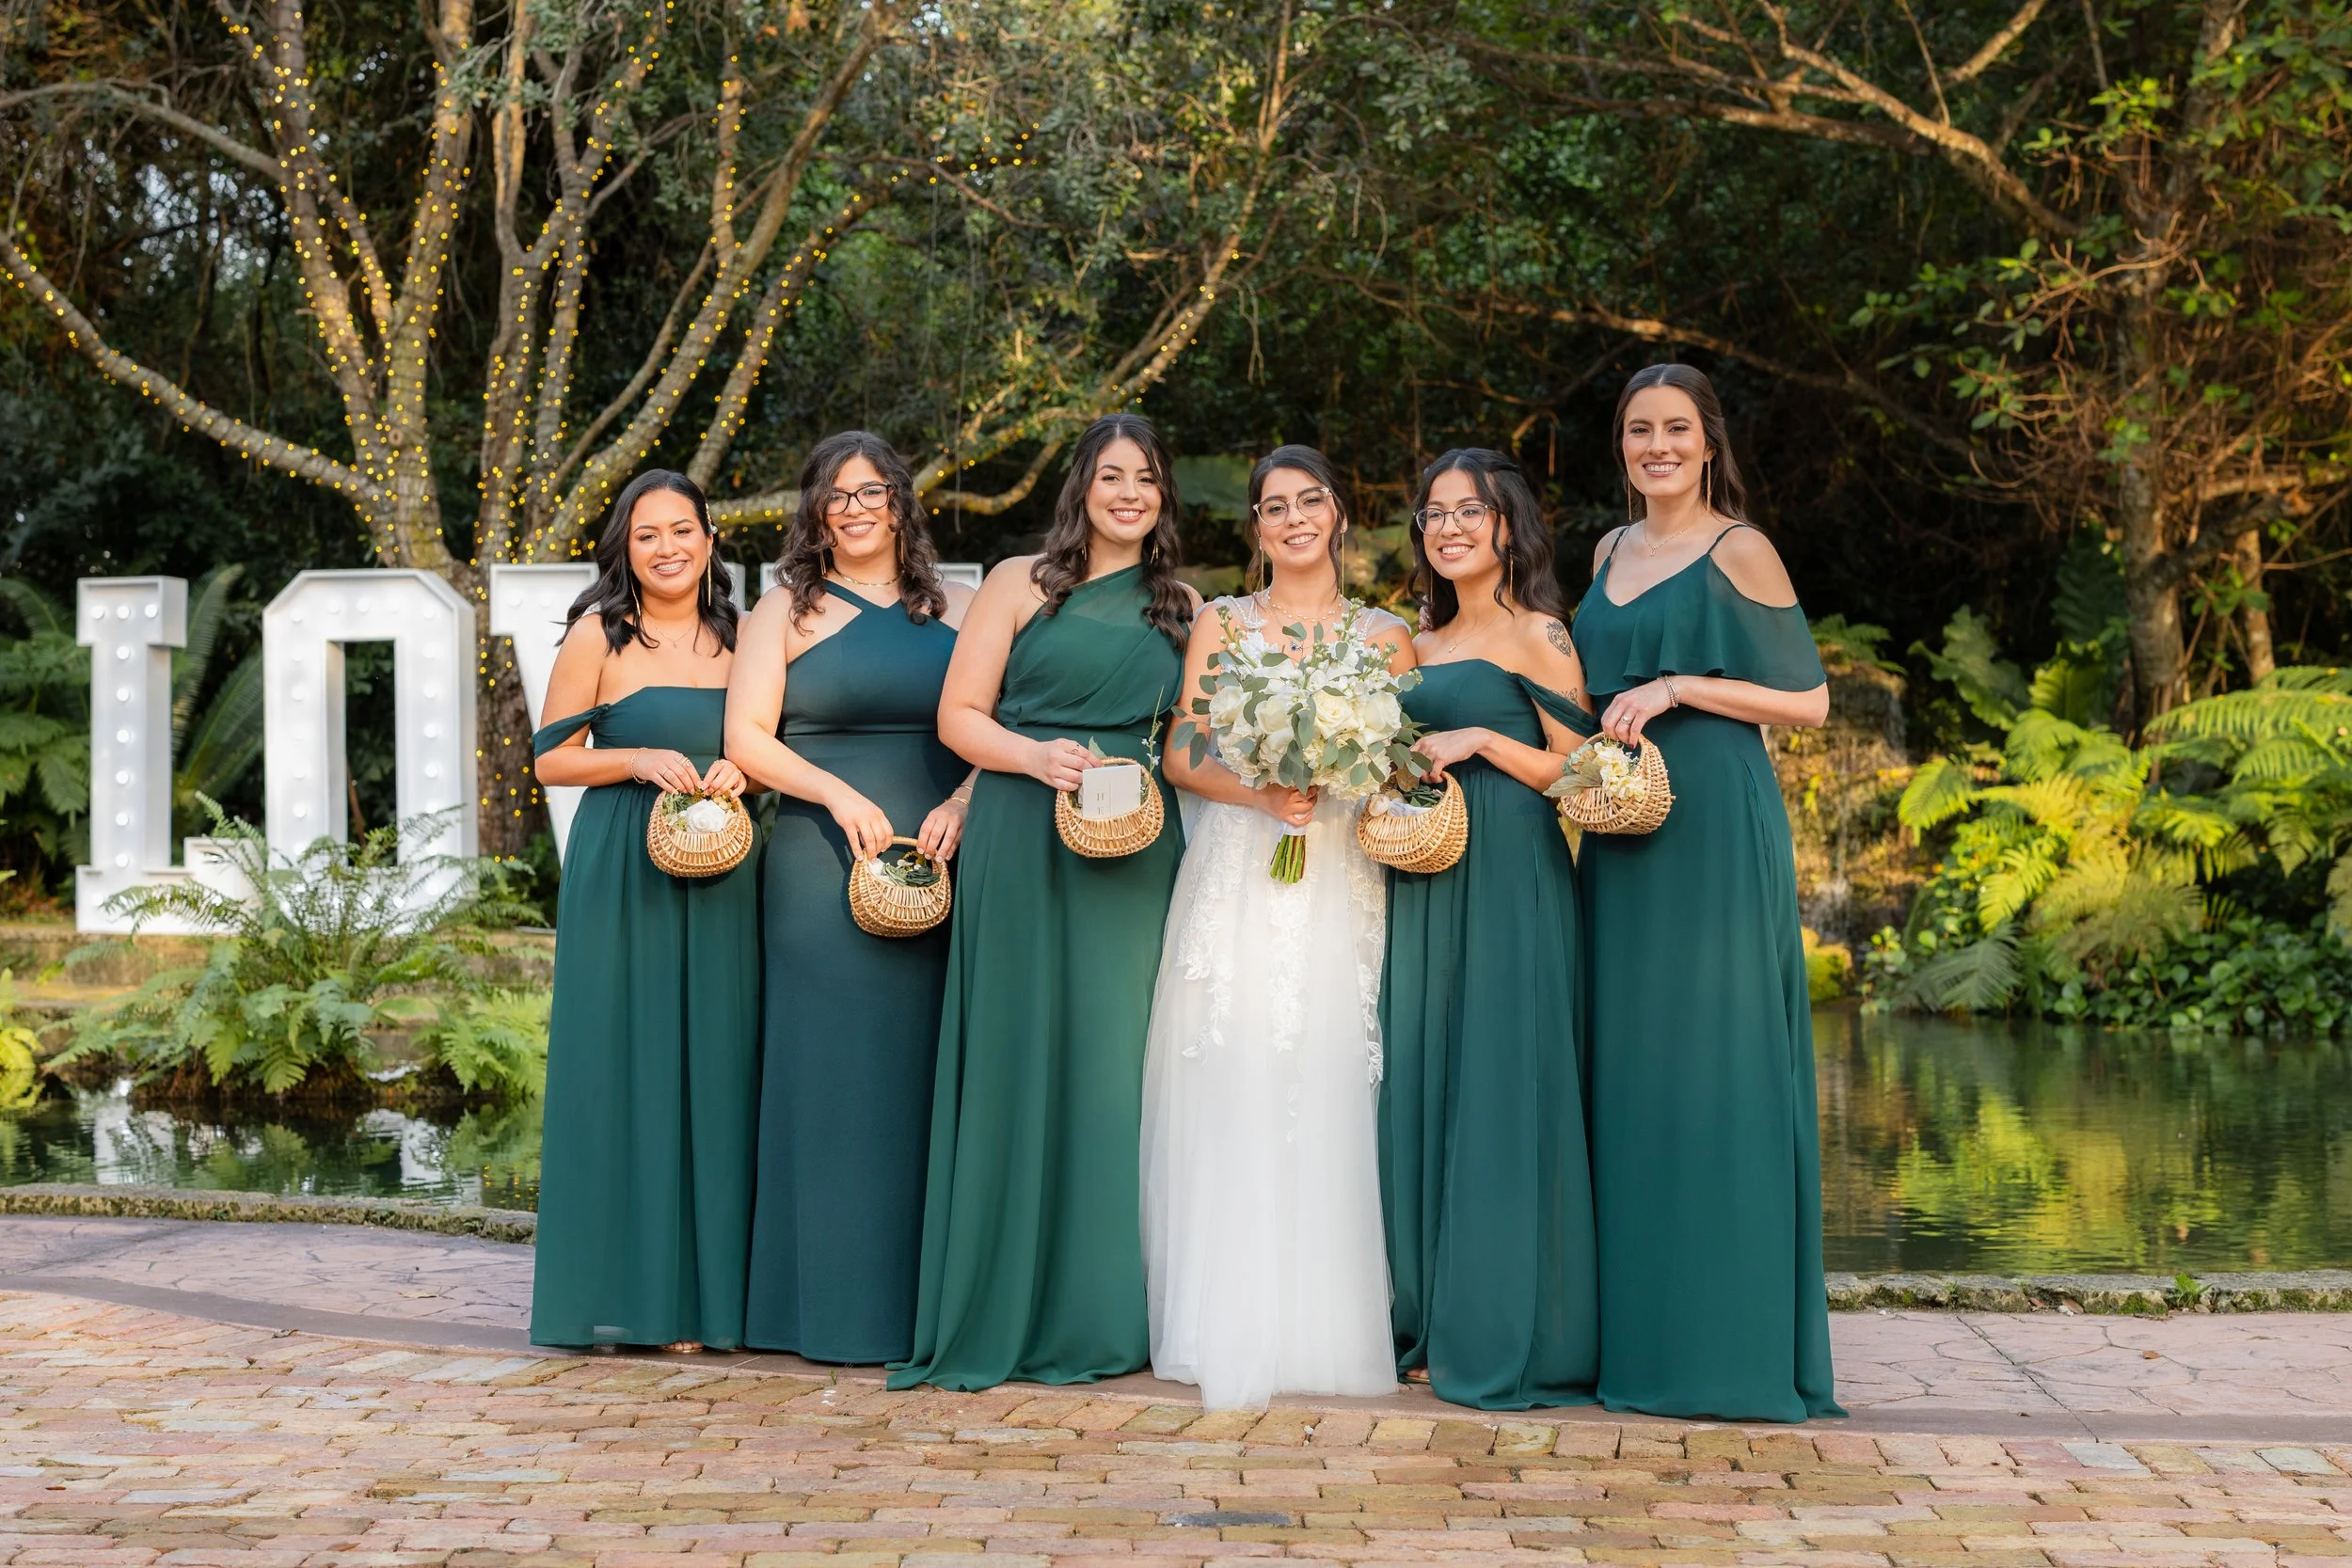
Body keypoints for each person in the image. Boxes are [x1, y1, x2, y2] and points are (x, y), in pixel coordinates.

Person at [888, 413, 1198, 1391]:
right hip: (1024, 831)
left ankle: (1103, 1312)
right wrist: (1031, 757)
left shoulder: (1185, 604)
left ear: (1163, 495)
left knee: (1116, 1065)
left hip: (1133, 842)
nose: (1128, 493)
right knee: (1020, 1054)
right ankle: (1003, 1298)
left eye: (1145, 478)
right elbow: (958, 716)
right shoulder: (1019, 581)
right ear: (1082, 486)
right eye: (1111, 475)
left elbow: (1193, 735)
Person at [1574, 362, 1843, 1422]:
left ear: (1706, 439)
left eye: (1675, 430)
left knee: (1717, 1068)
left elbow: (1810, 700)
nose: (1656, 448)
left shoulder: (1742, 547)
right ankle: (1634, 1338)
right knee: (1630, 1073)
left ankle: (1725, 1351)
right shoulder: (1606, 550)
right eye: (1639, 431)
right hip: (1622, 829)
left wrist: (1681, 683)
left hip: (1715, 825)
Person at [1141, 444, 1411, 1411]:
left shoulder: (1386, 635)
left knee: (1330, 1070)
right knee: (1231, 1062)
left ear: (1338, 512)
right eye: (1271, 507)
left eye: (1308, 502)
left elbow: (1402, 761)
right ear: (1254, 528)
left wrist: (1338, 771)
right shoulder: (1221, 620)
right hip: (1240, 862)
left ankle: (1330, 1320)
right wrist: (1257, 791)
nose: (1292, 519)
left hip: (1339, 868)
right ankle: (1223, 1316)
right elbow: (1180, 746)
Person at [727, 432, 977, 1364]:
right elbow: (747, 736)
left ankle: (925, 1309)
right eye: (837, 495)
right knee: (828, 1079)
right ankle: (817, 1308)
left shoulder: (959, 604)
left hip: (942, 858)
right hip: (818, 862)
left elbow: (999, 723)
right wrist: (834, 792)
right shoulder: (783, 610)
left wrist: (961, 800)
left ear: (901, 503)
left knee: (925, 1078)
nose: (856, 507)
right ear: (815, 512)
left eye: (872, 492)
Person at [1380, 448, 1600, 1410]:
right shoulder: (1414, 642)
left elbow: (1587, 772)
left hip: (1511, 873)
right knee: (1422, 1077)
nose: (1448, 528)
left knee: (1502, 1081)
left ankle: (1509, 1319)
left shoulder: (1538, 634)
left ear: (1507, 524)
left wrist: (1479, 741)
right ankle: (1424, 1311)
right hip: (1422, 871)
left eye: (1468, 511)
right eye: (1433, 513)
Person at [528, 468, 758, 1354]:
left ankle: (711, 1300)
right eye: (647, 534)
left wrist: (745, 767)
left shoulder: (741, 634)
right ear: (626, 547)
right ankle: (638, 1297)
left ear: (709, 539)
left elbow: (766, 737)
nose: (667, 548)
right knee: (630, 1063)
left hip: (726, 861)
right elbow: (551, 759)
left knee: (718, 1066)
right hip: (626, 862)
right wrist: (635, 758)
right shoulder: (599, 633)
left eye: (682, 530)